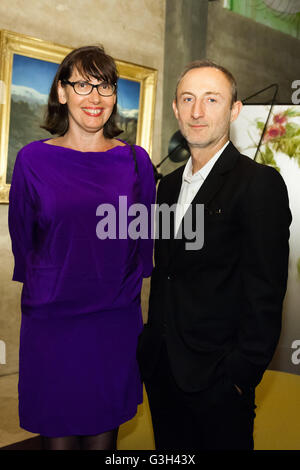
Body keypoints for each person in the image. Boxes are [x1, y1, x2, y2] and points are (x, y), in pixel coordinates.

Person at [137, 60, 292, 450]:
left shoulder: (258, 184)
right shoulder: (168, 187)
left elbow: (266, 292)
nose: (197, 111)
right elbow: (169, 274)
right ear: (175, 108)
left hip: (220, 382)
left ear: (234, 109)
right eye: (187, 99)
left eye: (211, 99)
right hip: (163, 371)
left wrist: (240, 375)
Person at [8, 45, 156, 450]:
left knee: (103, 443)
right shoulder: (33, 159)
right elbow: (23, 237)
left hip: (113, 323)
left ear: (114, 96)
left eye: (105, 85)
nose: (95, 97)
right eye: (82, 85)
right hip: (53, 324)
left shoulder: (136, 161)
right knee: (57, 442)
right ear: (61, 93)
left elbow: (143, 241)